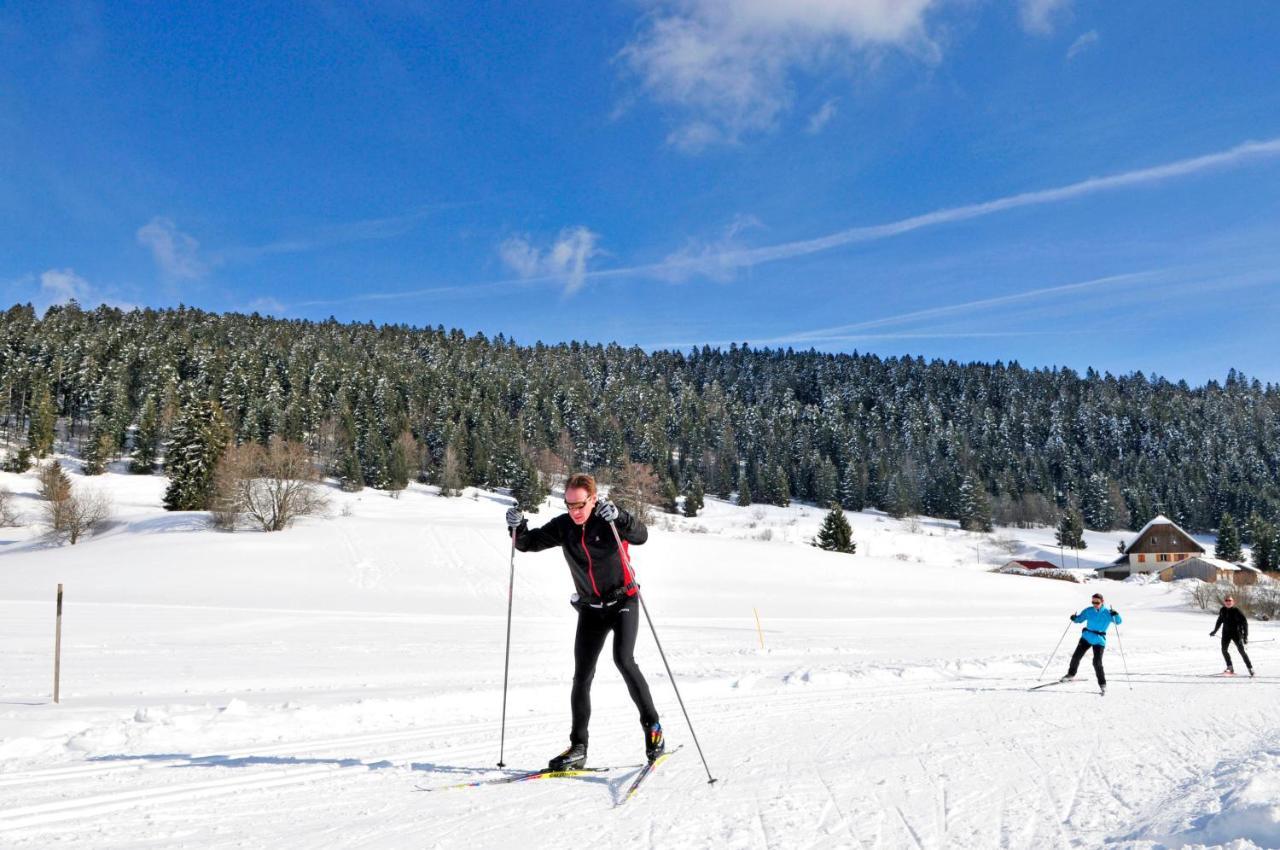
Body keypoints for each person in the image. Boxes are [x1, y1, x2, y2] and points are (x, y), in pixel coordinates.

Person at [504, 472, 663, 770]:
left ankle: (653, 729)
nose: (574, 512)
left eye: (580, 505)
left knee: (623, 659)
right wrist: (517, 527)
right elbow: (528, 543)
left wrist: (623, 517)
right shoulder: (565, 526)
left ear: (593, 499)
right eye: (569, 505)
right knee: (582, 676)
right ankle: (579, 747)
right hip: (591, 608)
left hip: (623, 601)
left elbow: (641, 536)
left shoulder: (609, 520)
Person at [1060, 592, 1122, 695]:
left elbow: (1118, 622)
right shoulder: (1088, 610)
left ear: (1102, 602)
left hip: (1099, 640)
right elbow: (1079, 619)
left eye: (1097, 602)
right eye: (1093, 602)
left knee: (1097, 662)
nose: (1095, 604)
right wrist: (1074, 618)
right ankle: (1071, 674)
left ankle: (1103, 684)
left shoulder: (1107, 613)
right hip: (1087, 637)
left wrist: (1116, 614)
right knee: (1076, 657)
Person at [1210, 594, 1253, 676]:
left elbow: (1245, 623)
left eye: (1230, 600)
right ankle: (1230, 667)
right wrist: (1214, 631)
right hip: (1226, 633)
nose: (1228, 602)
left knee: (1241, 651)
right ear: (1224, 602)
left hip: (1236, 634)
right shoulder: (1222, 610)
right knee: (1224, 650)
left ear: (1233, 602)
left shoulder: (1237, 611)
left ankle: (1250, 668)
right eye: (1226, 601)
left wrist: (1245, 636)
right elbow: (1219, 621)